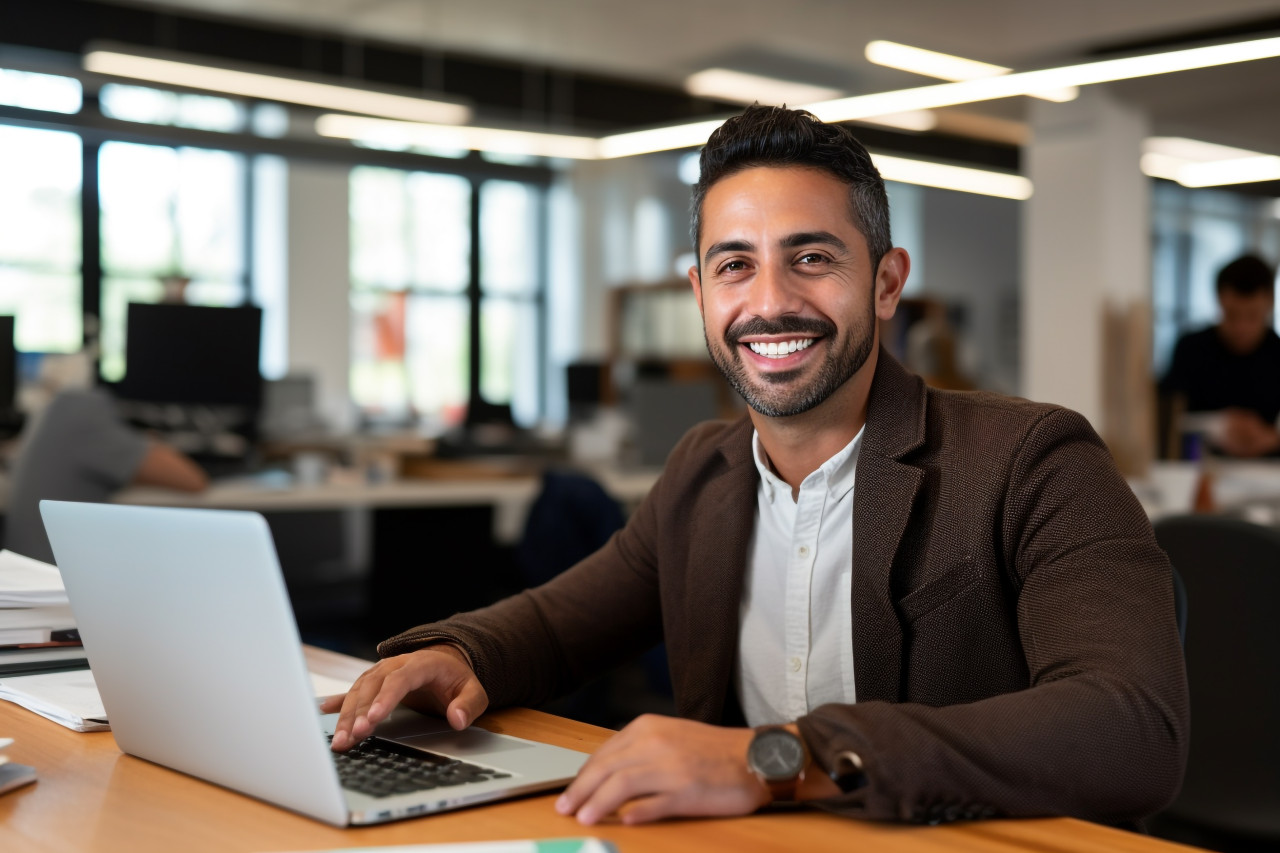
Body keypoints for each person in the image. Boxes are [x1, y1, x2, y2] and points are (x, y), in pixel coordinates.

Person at [324, 105, 1188, 828]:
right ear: (701, 294)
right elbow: (555, 626)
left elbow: (1133, 727)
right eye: (735, 264)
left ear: (887, 284)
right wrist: (456, 651)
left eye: (812, 258)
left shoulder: (1034, 460)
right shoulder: (705, 471)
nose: (770, 300)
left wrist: (773, 757)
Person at [5, 386, 209, 563]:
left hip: (29, 576)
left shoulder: (58, 407)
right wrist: (150, 441)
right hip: (55, 584)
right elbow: (194, 480)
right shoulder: (83, 412)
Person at [1159, 254, 1280, 457]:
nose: (1241, 328)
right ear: (1219, 301)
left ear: (1269, 305)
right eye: (1232, 315)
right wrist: (1219, 425)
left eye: (1252, 315)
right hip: (1200, 469)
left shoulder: (1277, 354)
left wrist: (1271, 438)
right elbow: (1166, 418)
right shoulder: (1191, 349)